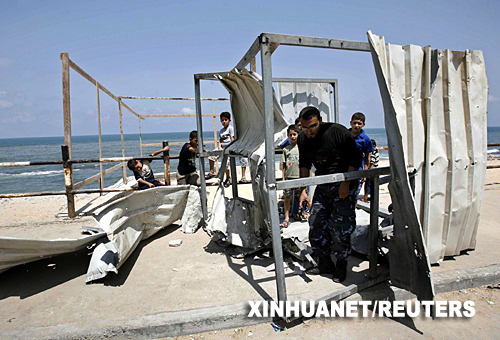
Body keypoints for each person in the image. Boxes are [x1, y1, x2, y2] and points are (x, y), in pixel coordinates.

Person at [298, 106, 362, 283]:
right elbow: (304, 164)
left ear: (319, 120)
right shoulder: (303, 138)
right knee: (316, 221)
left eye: (313, 126)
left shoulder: (336, 132)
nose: (309, 131)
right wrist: (303, 190)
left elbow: (356, 158)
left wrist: (346, 183)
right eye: (305, 127)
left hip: (344, 181)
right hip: (324, 183)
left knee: (340, 226)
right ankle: (324, 261)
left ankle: (341, 262)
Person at [349, 112, 374, 200]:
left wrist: (365, 173)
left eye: (359, 123)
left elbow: (367, 158)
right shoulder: (345, 135)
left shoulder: (366, 139)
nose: (356, 125)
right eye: (354, 123)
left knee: (354, 196)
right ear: (350, 123)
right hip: (343, 170)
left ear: (363, 124)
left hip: (358, 171)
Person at [280, 124, 301, 228]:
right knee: (287, 197)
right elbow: (283, 166)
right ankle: (287, 217)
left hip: (299, 177)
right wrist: (283, 178)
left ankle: (296, 213)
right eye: (291, 135)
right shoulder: (286, 150)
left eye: (295, 134)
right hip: (289, 177)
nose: (293, 137)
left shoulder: (301, 148)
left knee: (298, 197)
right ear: (288, 136)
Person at [208, 111, 235, 187]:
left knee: (226, 164)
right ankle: (211, 171)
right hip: (222, 147)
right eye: (222, 120)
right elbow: (220, 140)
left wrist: (232, 148)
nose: (224, 122)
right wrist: (219, 146)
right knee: (211, 156)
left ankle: (228, 178)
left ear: (229, 120)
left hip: (228, 148)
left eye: (225, 120)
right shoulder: (221, 131)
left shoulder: (230, 129)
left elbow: (232, 138)